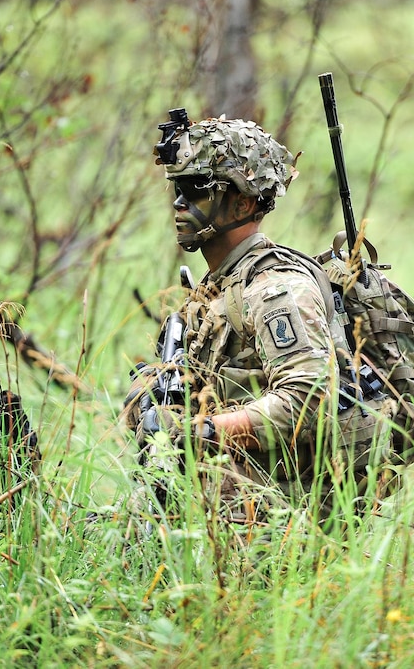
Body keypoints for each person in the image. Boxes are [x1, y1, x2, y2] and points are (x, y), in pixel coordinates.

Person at [123, 111, 385, 521]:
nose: (179, 202)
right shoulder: (220, 285)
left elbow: (308, 400)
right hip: (223, 495)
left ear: (243, 202)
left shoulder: (274, 290)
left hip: (280, 511)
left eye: (197, 189)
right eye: (177, 187)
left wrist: (203, 433)